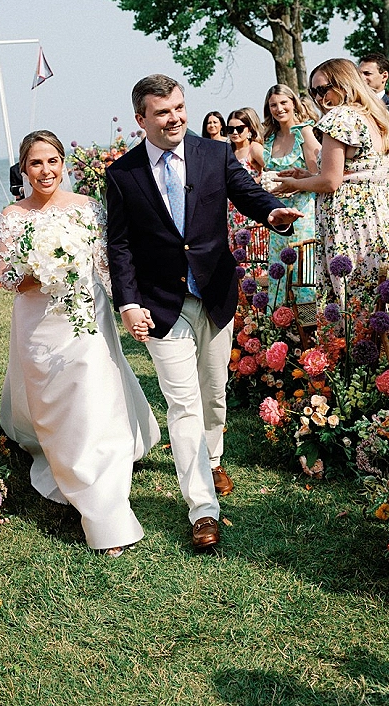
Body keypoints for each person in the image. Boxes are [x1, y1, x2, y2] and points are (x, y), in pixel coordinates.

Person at [106, 75, 302, 551]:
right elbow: (121, 244)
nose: (174, 118)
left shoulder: (214, 154)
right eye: (162, 112)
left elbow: (247, 192)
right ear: (141, 119)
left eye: (179, 107)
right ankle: (203, 508)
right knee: (183, 403)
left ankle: (212, 456)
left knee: (214, 395)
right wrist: (128, 302)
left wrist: (272, 212)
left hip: (215, 294)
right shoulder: (122, 173)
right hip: (160, 306)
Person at [0, 130, 160, 556]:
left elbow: (106, 266)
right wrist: (45, 269)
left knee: (91, 400)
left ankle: (103, 510)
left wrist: (130, 307)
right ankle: (66, 464)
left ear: (63, 163)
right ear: (24, 168)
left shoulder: (88, 208)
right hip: (39, 325)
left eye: (52, 161)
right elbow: (7, 278)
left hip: (87, 320)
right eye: (35, 163)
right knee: (57, 407)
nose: (45, 171)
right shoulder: (13, 215)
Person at [275, 58, 389, 312]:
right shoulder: (376, 116)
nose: (318, 98)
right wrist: (306, 174)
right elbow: (356, 171)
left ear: (343, 84)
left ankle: (347, 350)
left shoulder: (340, 117)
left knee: (351, 299)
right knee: (378, 295)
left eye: (322, 89)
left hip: (348, 220)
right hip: (380, 216)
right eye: (312, 92)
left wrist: (295, 182)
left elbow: (331, 181)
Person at [262, 85, 320, 303]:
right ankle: (279, 327)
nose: (279, 108)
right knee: (279, 271)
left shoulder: (304, 132)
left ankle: (307, 325)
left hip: (303, 212)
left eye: (283, 102)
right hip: (278, 215)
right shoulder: (269, 139)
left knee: (303, 270)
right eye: (273, 105)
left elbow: (319, 176)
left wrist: (295, 183)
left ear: (293, 103)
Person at [226, 108, 265, 242]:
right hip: (232, 212)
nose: (235, 132)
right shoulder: (228, 152)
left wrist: (256, 180)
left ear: (249, 129)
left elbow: (272, 170)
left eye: (239, 128)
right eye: (230, 129)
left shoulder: (254, 148)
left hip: (252, 208)